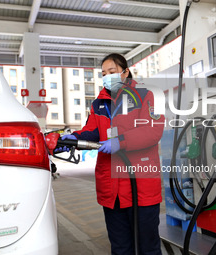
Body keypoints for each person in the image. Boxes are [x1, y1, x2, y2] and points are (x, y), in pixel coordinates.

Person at [57, 53, 164, 255]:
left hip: (140, 188)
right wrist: (72, 139)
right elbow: (92, 131)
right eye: (104, 73)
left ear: (125, 72)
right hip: (112, 191)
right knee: (120, 247)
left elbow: (152, 130)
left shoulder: (146, 96)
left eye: (112, 72)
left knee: (147, 248)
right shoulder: (99, 103)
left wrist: (120, 142)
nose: (107, 77)